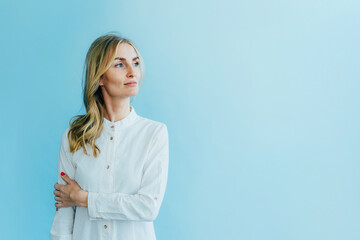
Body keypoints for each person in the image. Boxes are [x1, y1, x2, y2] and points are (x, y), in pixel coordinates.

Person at [50, 32, 169, 240]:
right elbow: (64, 218)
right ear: (100, 77)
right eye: (120, 65)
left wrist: (85, 199)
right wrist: (76, 201)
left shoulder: (154, 134)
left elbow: (148, 207)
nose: (133, 72)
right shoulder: (73, 137)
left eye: (136, 63)